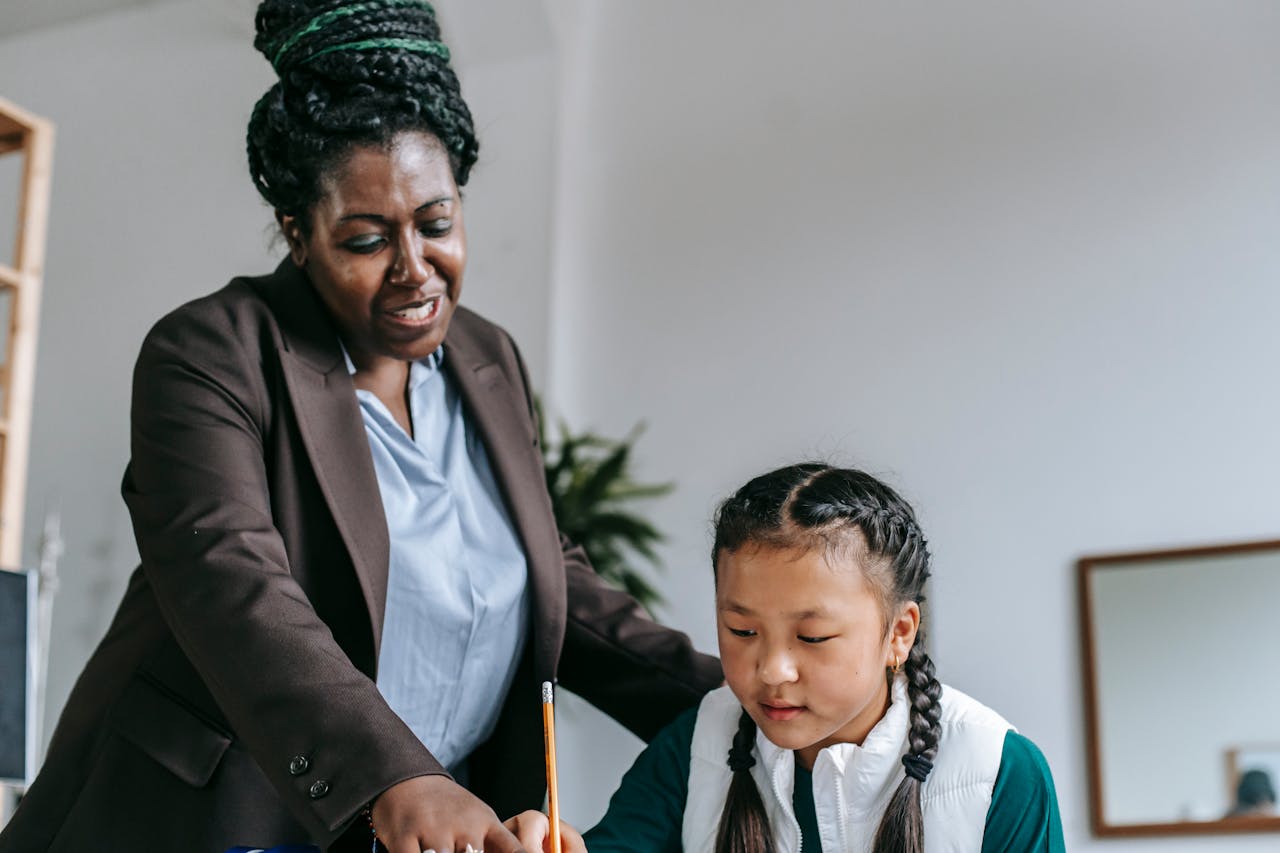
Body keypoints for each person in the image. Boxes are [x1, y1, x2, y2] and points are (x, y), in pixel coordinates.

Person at [0, 2, 720, 851]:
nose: (416, 270)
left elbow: (548, 580)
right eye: (368, 238)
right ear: (298, 233)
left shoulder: (490, 359)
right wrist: (397, 774)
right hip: (212, 819)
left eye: (438, 223)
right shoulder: (211, 353)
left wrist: (744, 696)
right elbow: (233, 584)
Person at [582, 463, 1064, 853]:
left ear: (899, 633)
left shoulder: (999, 772)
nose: (772, 669)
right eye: (741, 630)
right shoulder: (692, 749)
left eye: (812, 636)